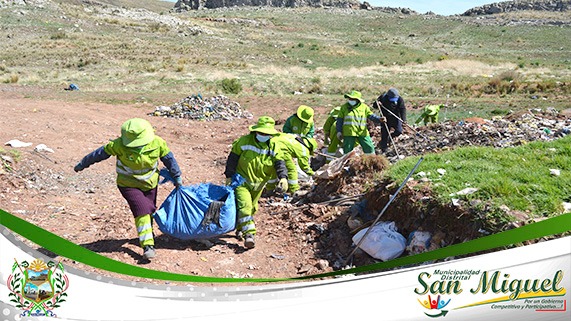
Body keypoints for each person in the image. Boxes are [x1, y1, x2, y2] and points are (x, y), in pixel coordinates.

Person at [73, 118, 183, 260]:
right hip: (128, 184)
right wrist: (83, 164)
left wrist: (177, 176)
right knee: (142, 210)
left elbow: (169, 160)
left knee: (149, 209)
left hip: (150, 183)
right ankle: (148, 245)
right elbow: (99, 154)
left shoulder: (158, 143)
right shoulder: (119, 145)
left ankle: (147, 233)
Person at [224, 116, 288, 249]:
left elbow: (279, 163)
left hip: (258, 185)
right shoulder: (244, 141)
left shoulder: (274, 146)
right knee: (245, 206)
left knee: (252, 209)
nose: (263, 135)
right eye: (261, 132)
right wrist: (229, 176)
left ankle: (241, 229)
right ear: (256, 131)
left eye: (266, 133)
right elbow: (232, 159)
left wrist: (283, 177)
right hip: (241, 181)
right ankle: (250, 235)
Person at [336, 90, 383, 155]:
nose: (350, 100)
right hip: (349, 132)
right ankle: (348, 163)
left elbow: (371, 116)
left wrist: (379, 119)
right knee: (348, 150)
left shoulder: (364, 107)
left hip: (362, 132)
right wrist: (339, 131)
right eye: (350, 98)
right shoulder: (344, 107)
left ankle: (371, 161)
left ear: (357, 100)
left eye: (353, 99)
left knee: (369, 148)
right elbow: (339, 120)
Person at [372, 88, 407, 153]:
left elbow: (402, 109)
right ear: (388, 96)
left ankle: (390, 137)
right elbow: (374, 105)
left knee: (399, 131)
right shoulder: (383, 97)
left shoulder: (399, 99)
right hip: (385, 118)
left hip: (395, 117)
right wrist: (377, 104)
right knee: (384, 134)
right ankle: (384, 149)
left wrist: (403, 119)